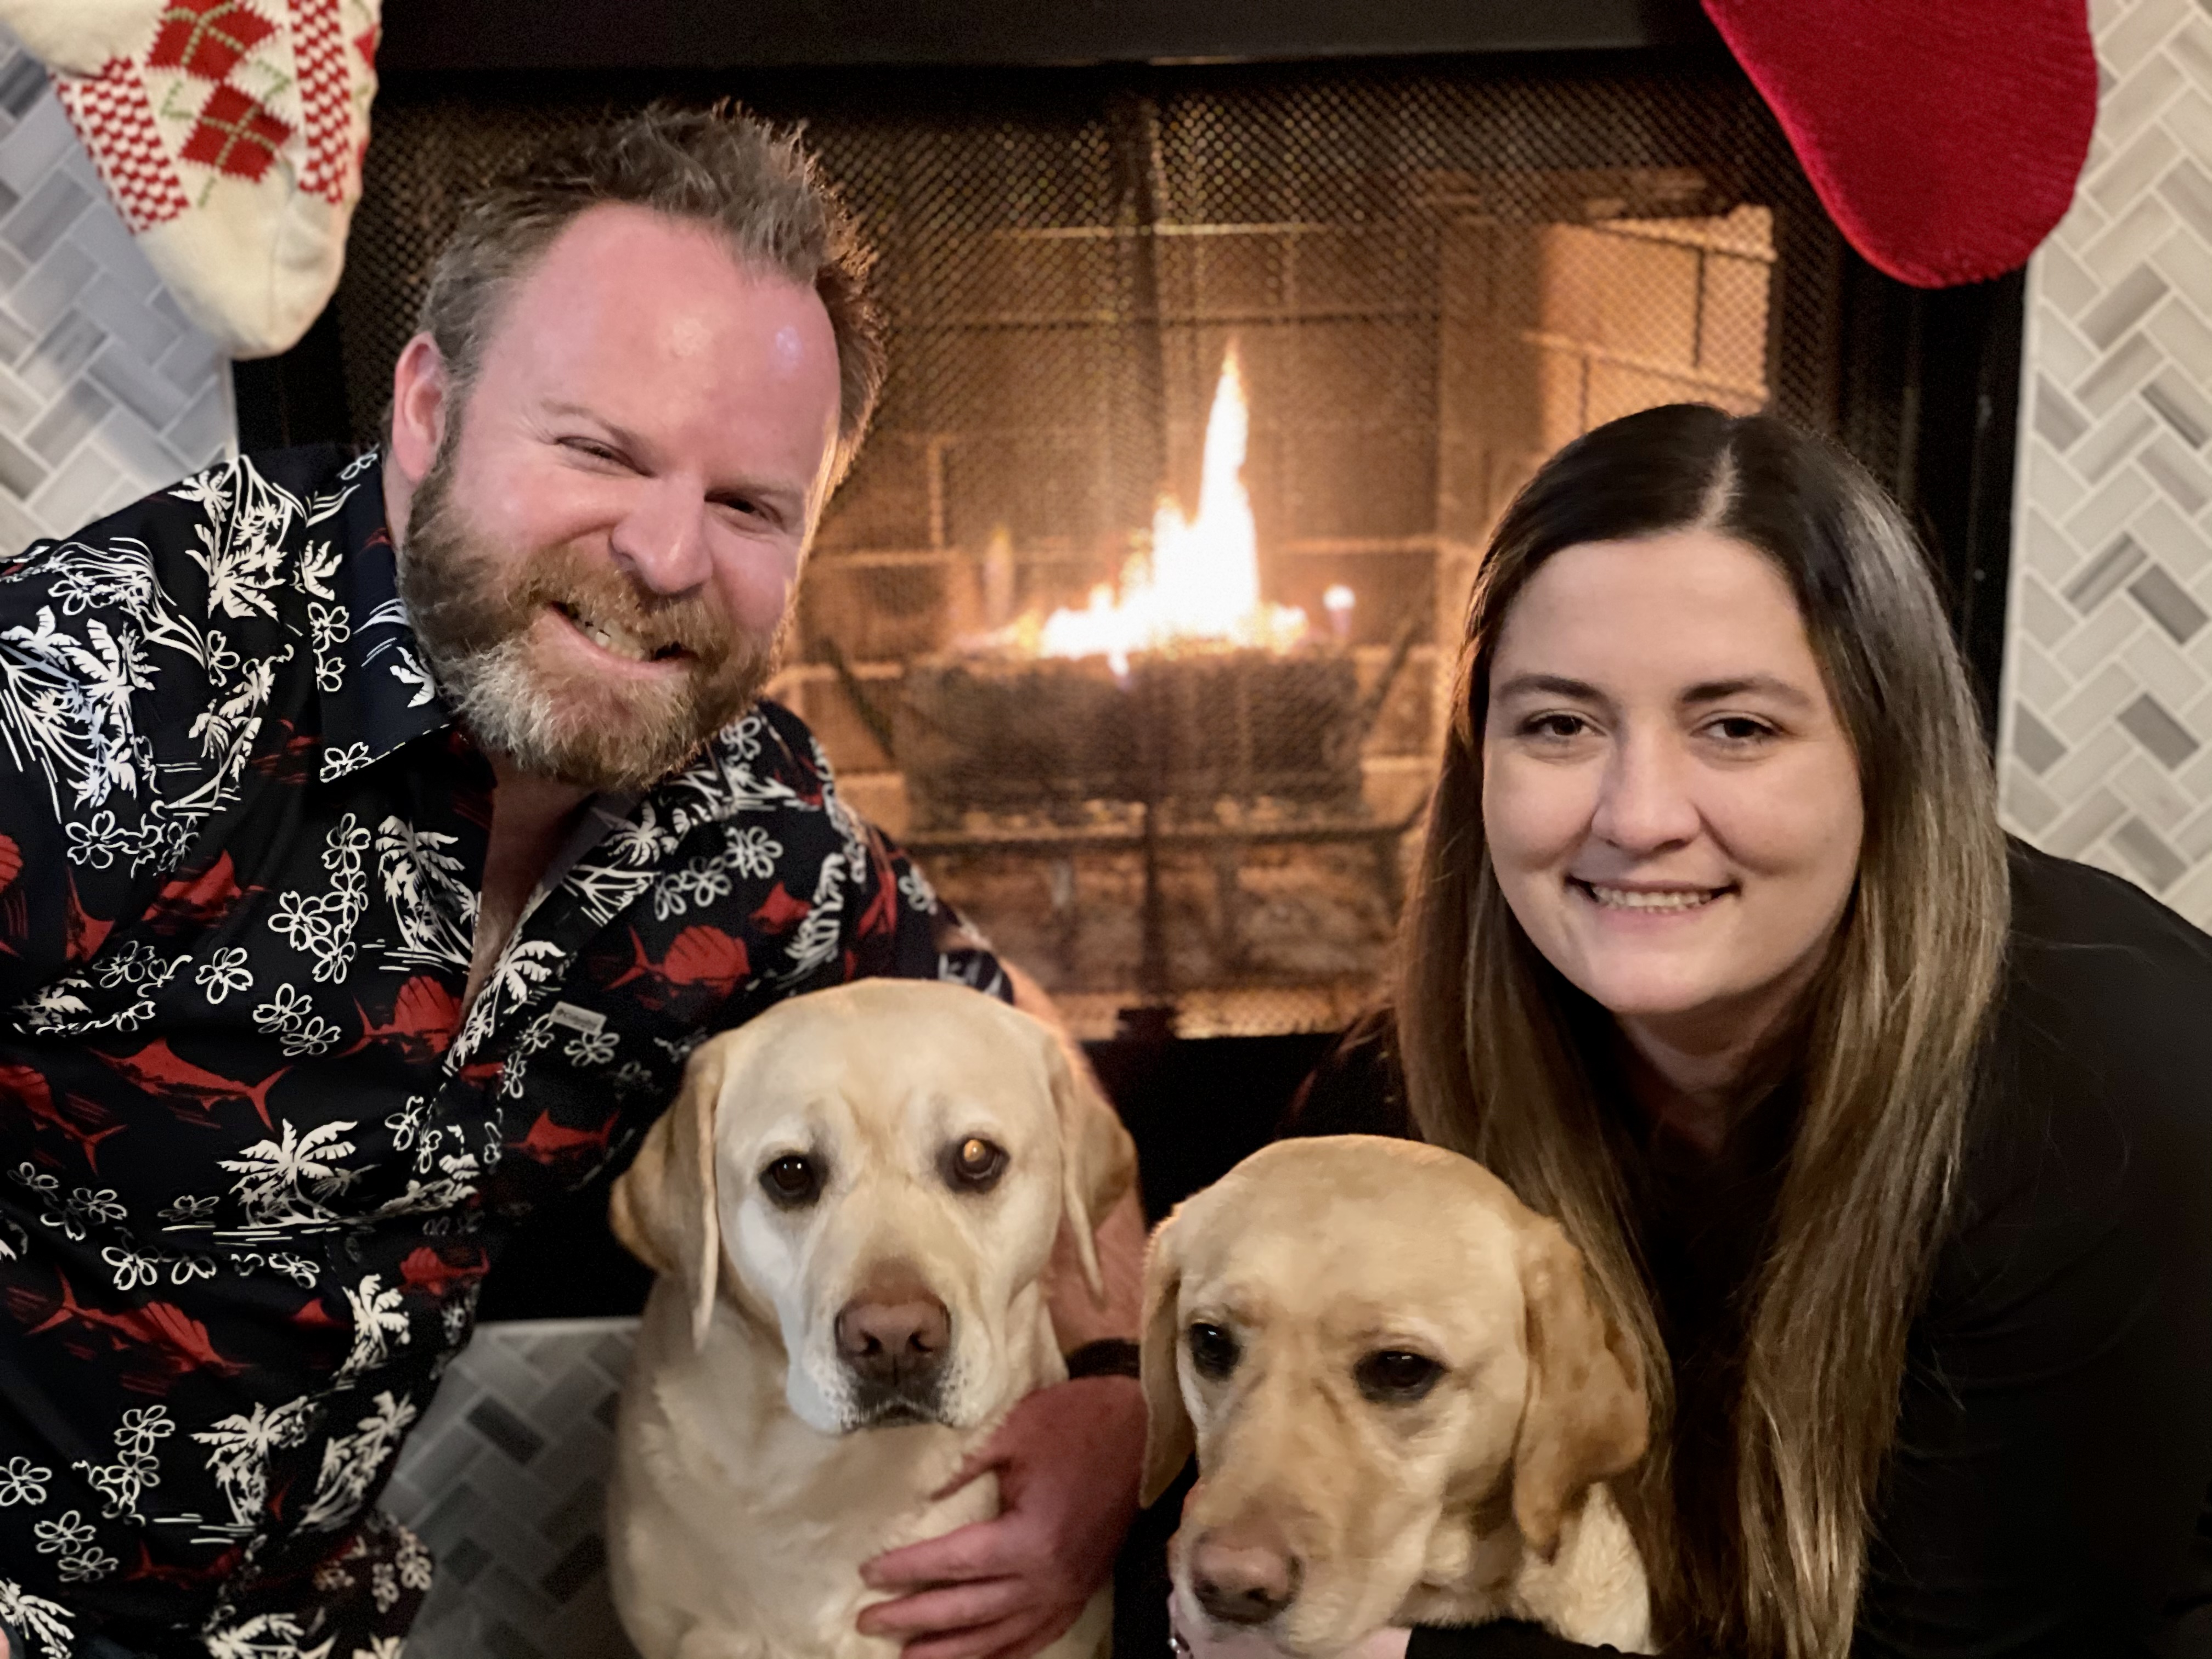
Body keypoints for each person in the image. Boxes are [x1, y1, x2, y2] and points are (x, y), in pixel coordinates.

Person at [0, 106, 1146, 1659]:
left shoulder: (759, 837)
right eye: (598, 450)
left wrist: (1118, 1403)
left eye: (750, 505)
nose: (668, 555)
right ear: (425, 407)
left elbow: (1034, 1086)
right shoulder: (98, 698)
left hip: (313, 1624)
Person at [1177, 403, 2212, 1659]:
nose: (1639, 815)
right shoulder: (1413, 1097)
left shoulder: (2113, 1090)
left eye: (1738, 727)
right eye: (1560, 724)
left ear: (1890, 761)